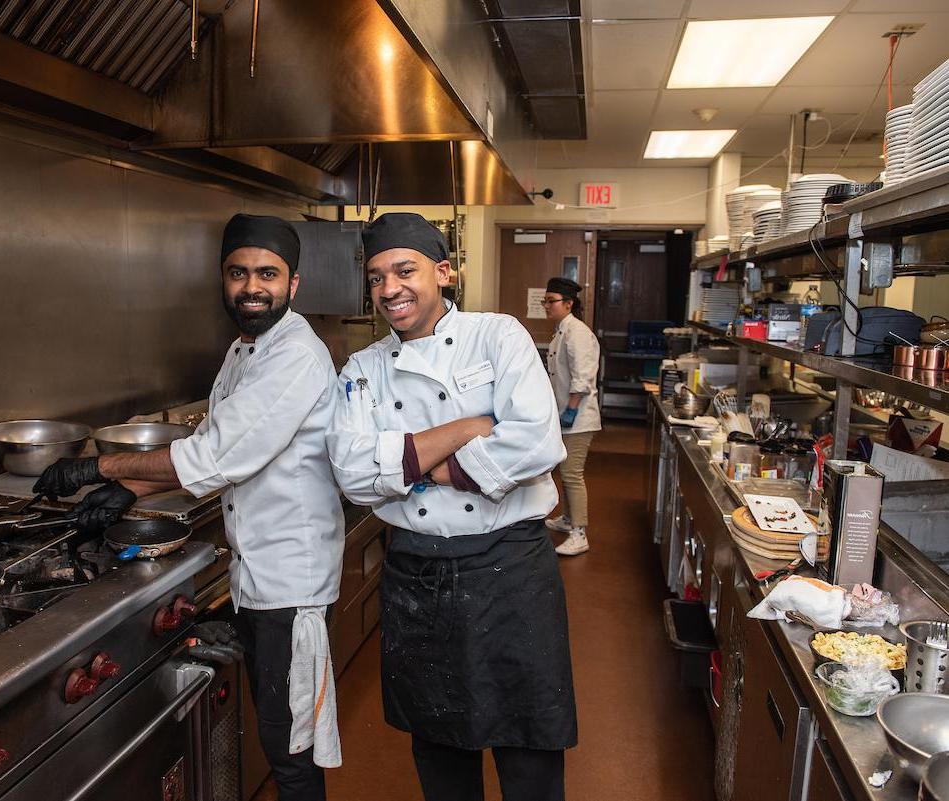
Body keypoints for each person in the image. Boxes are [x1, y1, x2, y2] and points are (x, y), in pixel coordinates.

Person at [33, 213, 344, 801]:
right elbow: (215, 443)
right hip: (258, 576)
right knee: (283, 739)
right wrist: (131, 490)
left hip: (290, 584)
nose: (252, 286)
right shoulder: (245, 347)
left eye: (267, 274)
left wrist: (101, 468)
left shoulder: (295, 355)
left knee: (291, 752)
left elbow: (218, 456)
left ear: (293, 284)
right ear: (223, 279)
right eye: (238, 272)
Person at [326, 213, 576, 801]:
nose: (390, 289)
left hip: (510, 564)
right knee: (438, 742)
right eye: (377, 277)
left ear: (443, 271)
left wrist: (412, 468)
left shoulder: (499, 335)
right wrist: (469, 427)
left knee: (529, 740)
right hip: (415, 569)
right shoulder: (362, 370)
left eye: (404, 270)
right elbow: (355, 474)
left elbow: (537, 442)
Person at [541, 276, 601, 557]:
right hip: (565, 414)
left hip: (577, 418)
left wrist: (572, 409)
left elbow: (582, 377)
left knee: (572, 474)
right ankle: (568, 519)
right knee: (565, 473)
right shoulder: (561, 330)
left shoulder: (577, 332)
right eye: (545, 300)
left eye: (550, 301)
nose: (546, 305)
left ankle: (580, 533)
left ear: (568, 303)